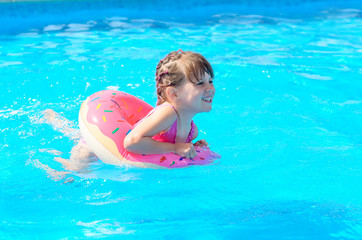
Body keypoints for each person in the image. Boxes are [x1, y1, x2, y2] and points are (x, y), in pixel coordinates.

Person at [124, 50, 215, 160]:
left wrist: (192, 148)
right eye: (200, 83)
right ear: (174, 93)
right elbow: (131, 142)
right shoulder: (167, 113)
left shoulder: (192, 131)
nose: (210, 89)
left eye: (210, 81)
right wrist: (175, 148)